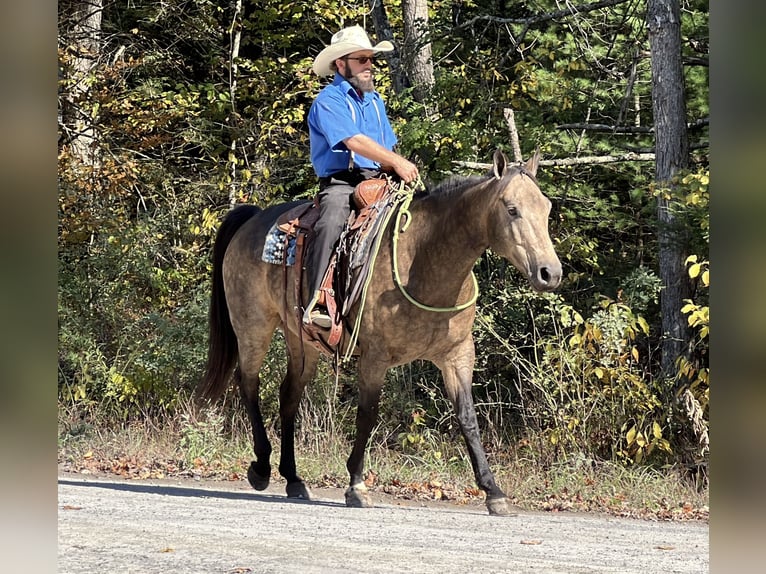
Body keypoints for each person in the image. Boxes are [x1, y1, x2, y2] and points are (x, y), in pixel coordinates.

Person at [304, 25, 419, 328]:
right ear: (341, 64)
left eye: (371, 59)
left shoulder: (375, 101)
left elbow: (385, 145)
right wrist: (398, 161)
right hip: (343, 181)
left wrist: (396, 168)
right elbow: (353, 140)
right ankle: (318, 300)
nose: (370, 66)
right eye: (362, 60)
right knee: (331, 221)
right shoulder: (328, 101)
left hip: (380, 178)